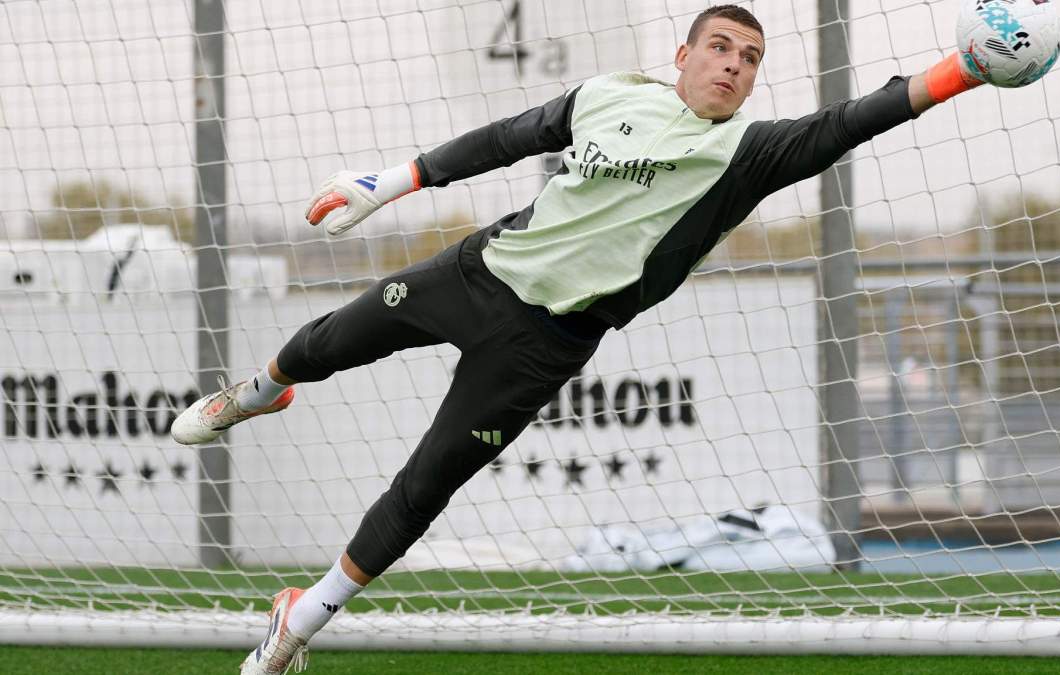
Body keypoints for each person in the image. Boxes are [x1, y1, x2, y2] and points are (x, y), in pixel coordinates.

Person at [170, 5, 984, 673]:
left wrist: (966, 69)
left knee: (425, 485)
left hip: (544, 345)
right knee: (330, 341)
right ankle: (258, 392)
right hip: (479, 271)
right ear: (684, 54)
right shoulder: (610, 94)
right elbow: (505, 139)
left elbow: (858, 117)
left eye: (751, 58)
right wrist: (393, 180)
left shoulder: (746, 152)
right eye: (720, 47)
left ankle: (299, 620)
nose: (734, 65)